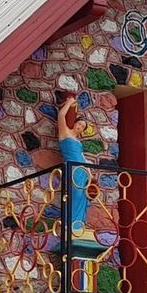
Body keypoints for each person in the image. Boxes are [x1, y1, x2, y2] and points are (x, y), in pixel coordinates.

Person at [56, 94, 92, 236]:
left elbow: (83, 157)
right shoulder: (65, 133)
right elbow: (61, 116)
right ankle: (68, 225)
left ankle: (78, 226)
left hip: (82, 170)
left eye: (83, 127)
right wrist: (69, 102)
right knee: (74, 194)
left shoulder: (79, 143)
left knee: (83, 196)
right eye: (80, 124)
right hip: (72, 169)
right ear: (75, 123)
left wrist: (90, 173)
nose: (80, 127)